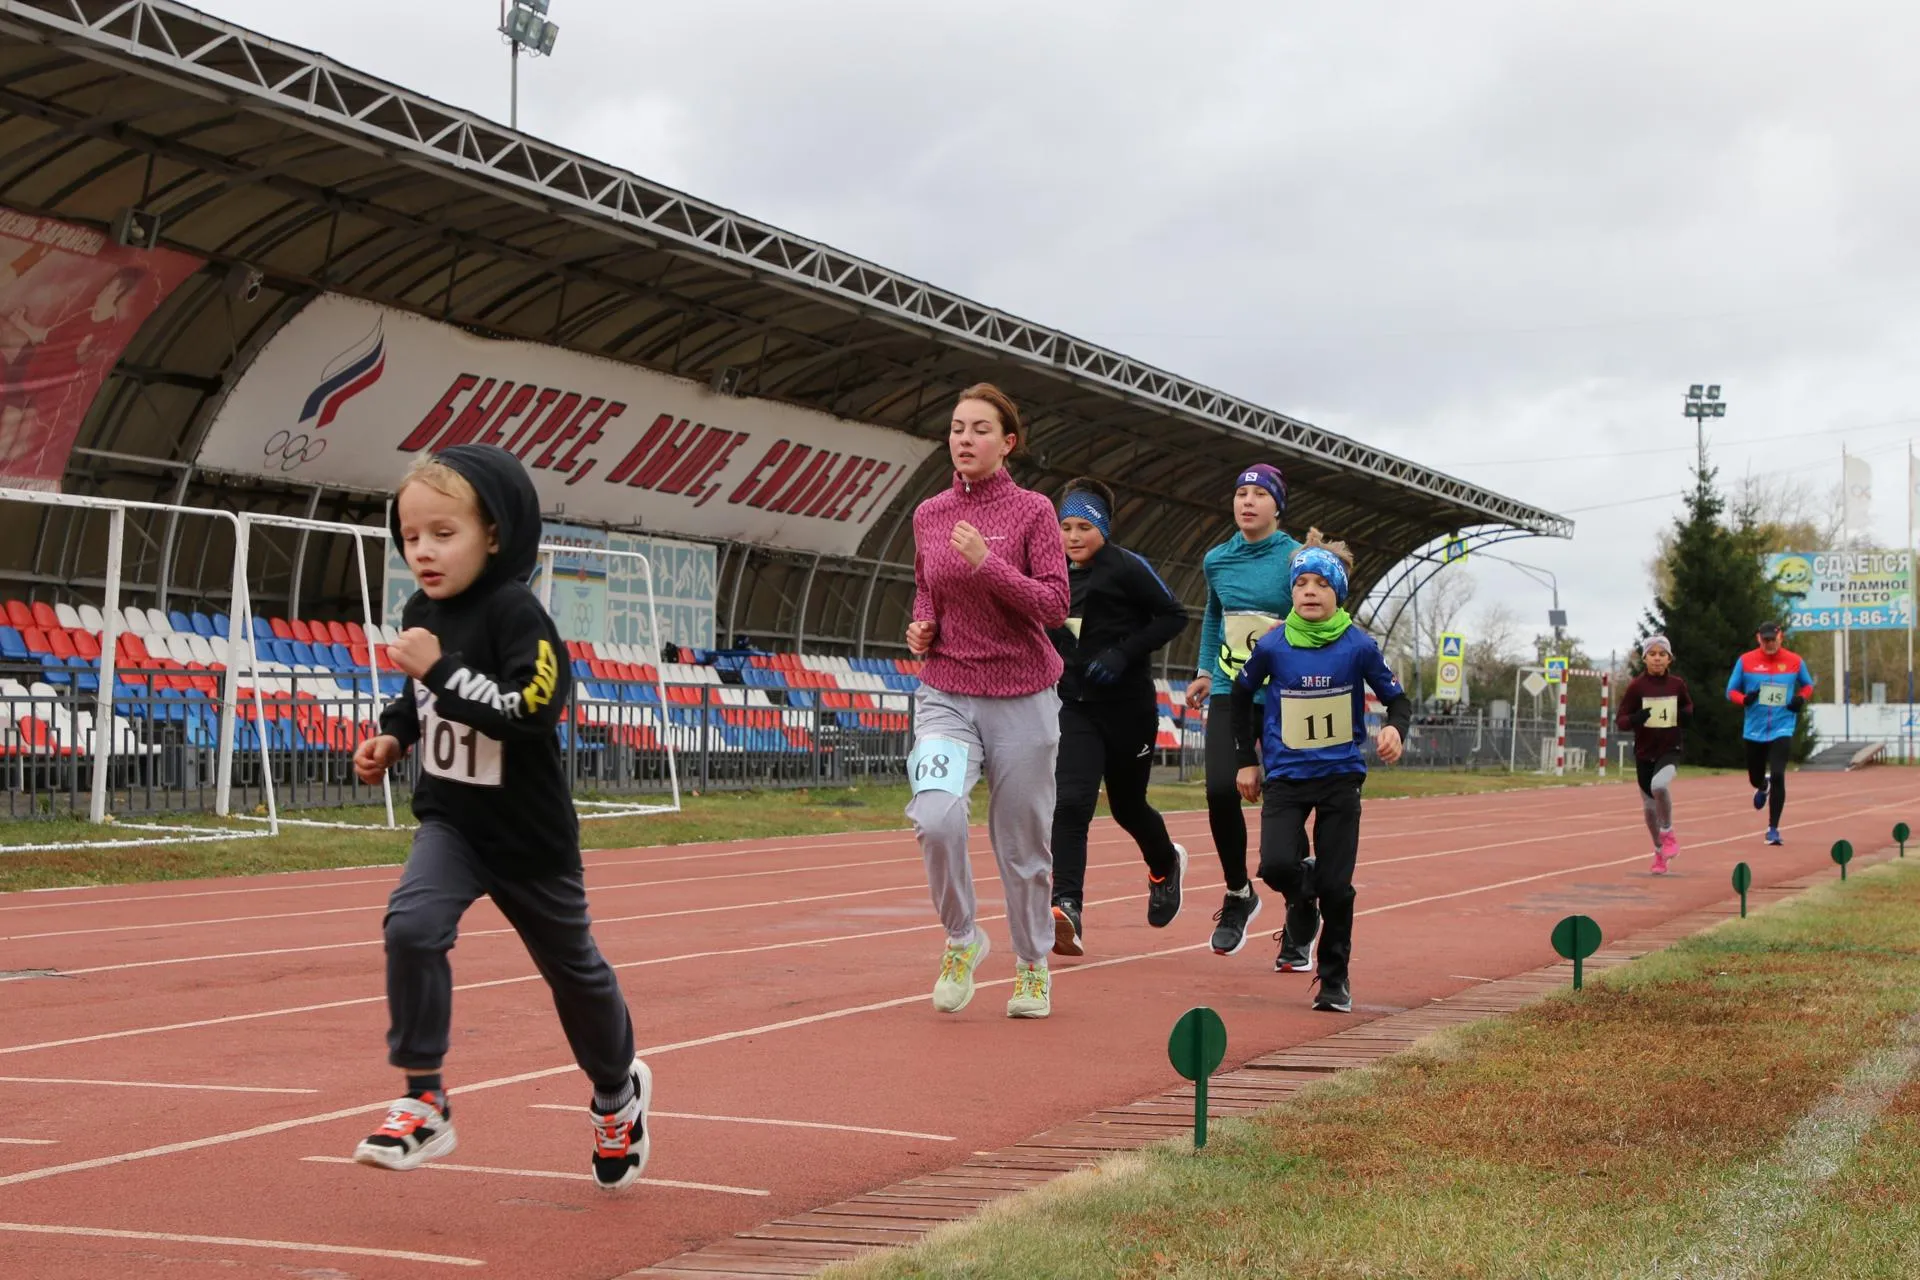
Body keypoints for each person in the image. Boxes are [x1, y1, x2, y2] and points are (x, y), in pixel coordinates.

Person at [350, 445, 650, 1190]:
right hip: (452, 826)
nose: (423, 550)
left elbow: (531, 710)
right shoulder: (424, 612)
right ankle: (424, 1099)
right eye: (411, 535)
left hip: (529, 840)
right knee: (411, 926)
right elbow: (423, 701)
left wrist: (440, 671)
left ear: (493, 533)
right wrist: (394, 735)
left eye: (442, 533)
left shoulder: (519, 614)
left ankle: (617, 1094)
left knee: (576, 976)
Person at [905, 384, 1070, 1018]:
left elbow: (1054, 606)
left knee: (1022, 844)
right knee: (936, 817)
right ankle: (961, 938)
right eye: (956, 428)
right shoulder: (929, 514)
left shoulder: (1033, 512)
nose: (964, 439)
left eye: (979, 429)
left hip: (1023, 696)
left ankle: (1032, 965)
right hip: (946, 691)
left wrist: (987, 564)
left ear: (1007, 443)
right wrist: (922, 627)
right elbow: (926, 592)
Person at [1230, 531, 1410, 1012]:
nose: (1310, 591)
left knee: (1338, 887)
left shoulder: (1358, 646)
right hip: (1286, 776)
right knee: (1275, 866)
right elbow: (1241, 697)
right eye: (1301, 583)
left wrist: (1395, 729)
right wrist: (1246, 760)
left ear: (1338, 593)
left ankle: (1334, 979)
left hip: (1339, 778)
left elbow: (1397, 699)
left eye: (1320, 584)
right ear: (1291, 592)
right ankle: (1301, 897)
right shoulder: (1273, 645)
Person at [1045, 477, 1191, 956]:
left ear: (1104, 528)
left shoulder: (1127, 568)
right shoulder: (1052, 572)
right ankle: (1066, 905)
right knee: (1071, 803)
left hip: (1128, 710)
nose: (1072, 536)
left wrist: (1122, 655)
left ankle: (1165, 863)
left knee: (1127, 806)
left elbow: (1173, 615)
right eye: (1065, 526)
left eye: (1083, 526)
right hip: (1076, 708)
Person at [1181, 464, 1304, 959]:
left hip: (1284, 695)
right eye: (1240, 493)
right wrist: (1208, 670)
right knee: (1217, 788)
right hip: (1233, 690)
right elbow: (1215, 614)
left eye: (1259, 494)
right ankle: (1238, 893)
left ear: (1278, 506)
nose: (1247, 502)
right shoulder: (1218, 560)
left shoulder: (1296, 558)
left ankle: (1302, 906)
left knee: (1288, 801)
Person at [1725, 620, 1813, 846]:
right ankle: (1762, 786)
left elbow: (1807, 685)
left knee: (1779, 774)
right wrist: (1744, 699)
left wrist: (1800, 699)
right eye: (1765, 641)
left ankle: (1773, 829)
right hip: (1754, 730)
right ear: (1758, 639)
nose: (1769, 644)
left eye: (1773, 640)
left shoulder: (1794, 661)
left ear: (1780, 637)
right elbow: (1730, 691)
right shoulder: (1746, 661)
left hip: (1782, 727)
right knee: (1755, 776)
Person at [1615, 634, 1693, 874]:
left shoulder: (1677, 685)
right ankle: (1659, 851)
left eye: (1662, 655)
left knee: (1660, 785)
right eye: (1653, 654)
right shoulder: (1637, 686)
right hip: (1644, 752)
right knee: (1649, 808)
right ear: (1645, 658)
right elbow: (1622, 720)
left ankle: (1668, 831)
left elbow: (1688, 707)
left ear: (1669, 659)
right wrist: (1637, 718)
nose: (1657, 659)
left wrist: (1683, 714)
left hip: (1669, 749)